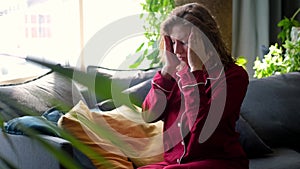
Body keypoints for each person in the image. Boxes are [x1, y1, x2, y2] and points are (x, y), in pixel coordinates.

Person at [138, 2, 249, 169]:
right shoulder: (175, 73)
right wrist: (167, 71)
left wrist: (195, 73)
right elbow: (148, 116)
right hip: (177, 163)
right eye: (173, 43)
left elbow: (203, 134)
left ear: (205, 41)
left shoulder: (234, 77)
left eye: (183, 42)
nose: (176, 51)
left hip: (220, 161)